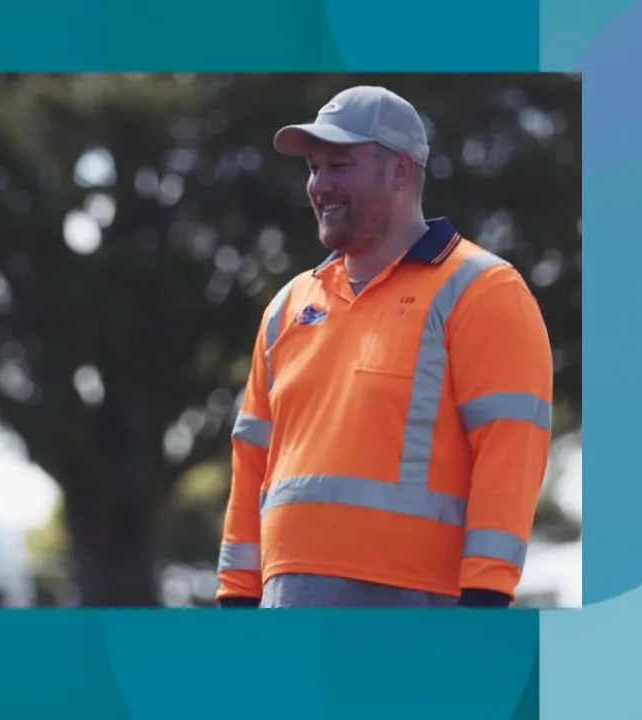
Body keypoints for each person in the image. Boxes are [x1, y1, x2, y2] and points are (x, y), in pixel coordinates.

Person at [215, 86, 554, 609]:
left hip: (417, 606)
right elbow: (251, 458)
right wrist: (237, 594)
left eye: (340, 165)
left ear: (400, 172)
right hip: (286, 606)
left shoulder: (484, 291)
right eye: (313, 168)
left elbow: (510, 447)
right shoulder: (288, 306)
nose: (319, 185)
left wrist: (486, 596)